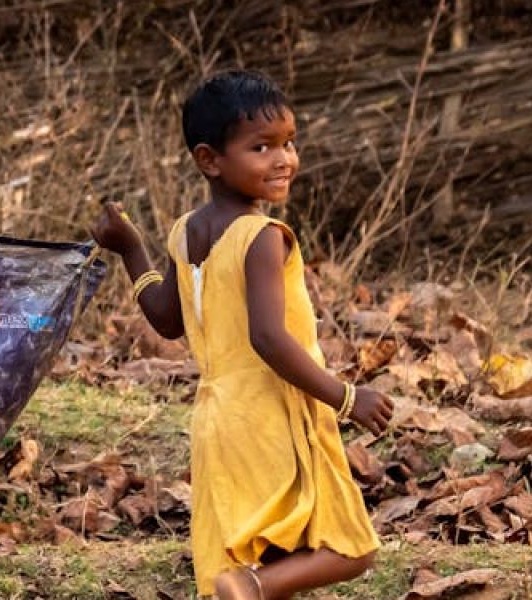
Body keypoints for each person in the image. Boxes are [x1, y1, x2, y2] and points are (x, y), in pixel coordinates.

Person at [90, 70, 392, 599]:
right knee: (350, 547)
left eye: (289, 143)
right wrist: (347, 398)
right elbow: (269, 339)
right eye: (261, 147)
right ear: (210, 160)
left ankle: (250, 585)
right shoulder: (262, 237)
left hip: (217, 422)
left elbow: (166, 319)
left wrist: (131, 249)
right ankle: (249, 587)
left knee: (273, 552)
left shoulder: (187, 230)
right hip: (274, 414)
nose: (283, 159)